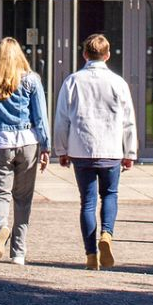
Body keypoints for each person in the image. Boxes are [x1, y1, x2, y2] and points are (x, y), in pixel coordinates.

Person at [52, 34, 137, 271]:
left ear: (84, 55)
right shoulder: (118, 82)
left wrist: (61, 149)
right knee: (110, 194)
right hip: (110, 148)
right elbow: (128, 120)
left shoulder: (73, 81)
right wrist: (130, 151)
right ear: (108, 55)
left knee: (87, 202)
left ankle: (90, 255)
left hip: (82, 148)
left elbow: (62, 119)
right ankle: (107, 234)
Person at [0, 37, 51, 265]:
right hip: (27, 142)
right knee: (23, 198)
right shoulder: (32, 81)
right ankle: (19, 252)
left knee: (0, 193)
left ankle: (0, 229)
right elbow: (40, 118)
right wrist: (45, 146)